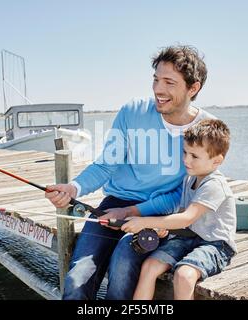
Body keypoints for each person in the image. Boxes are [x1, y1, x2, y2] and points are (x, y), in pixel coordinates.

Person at [45, 45, 216, 300]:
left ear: (193, 88)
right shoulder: (132, 111)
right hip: (114, 203)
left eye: (169, 82)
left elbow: (183, 196)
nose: (159, 89)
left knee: (122, 267)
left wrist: (132, 213)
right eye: (156, 80)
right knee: (77, 279)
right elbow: (106, 165)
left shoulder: (205, 131)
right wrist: (74, 188)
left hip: (159, 213)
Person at [121, 118, 237, 300]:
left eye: (194, 156)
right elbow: (181, 218)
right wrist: (163, 228)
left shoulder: (214, 185)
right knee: (149, 266)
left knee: (183, 275)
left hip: (215, 245)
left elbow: (187, 218)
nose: (186, 160)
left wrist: (143, 221)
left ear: (216, 161)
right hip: (188, 236)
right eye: (185, 152)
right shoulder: (190, 178)